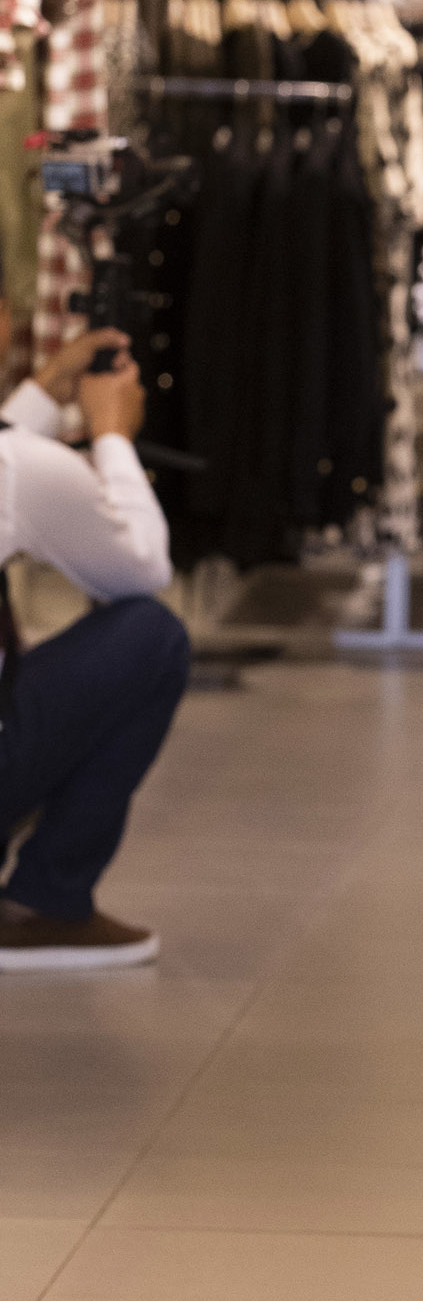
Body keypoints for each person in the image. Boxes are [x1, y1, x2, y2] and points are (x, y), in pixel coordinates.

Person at [0, 304, 189, 968]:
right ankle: (47, 902)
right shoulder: (23, 465)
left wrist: (42, 393)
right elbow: (142, 568)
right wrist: (113, 437)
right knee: (151, 637)